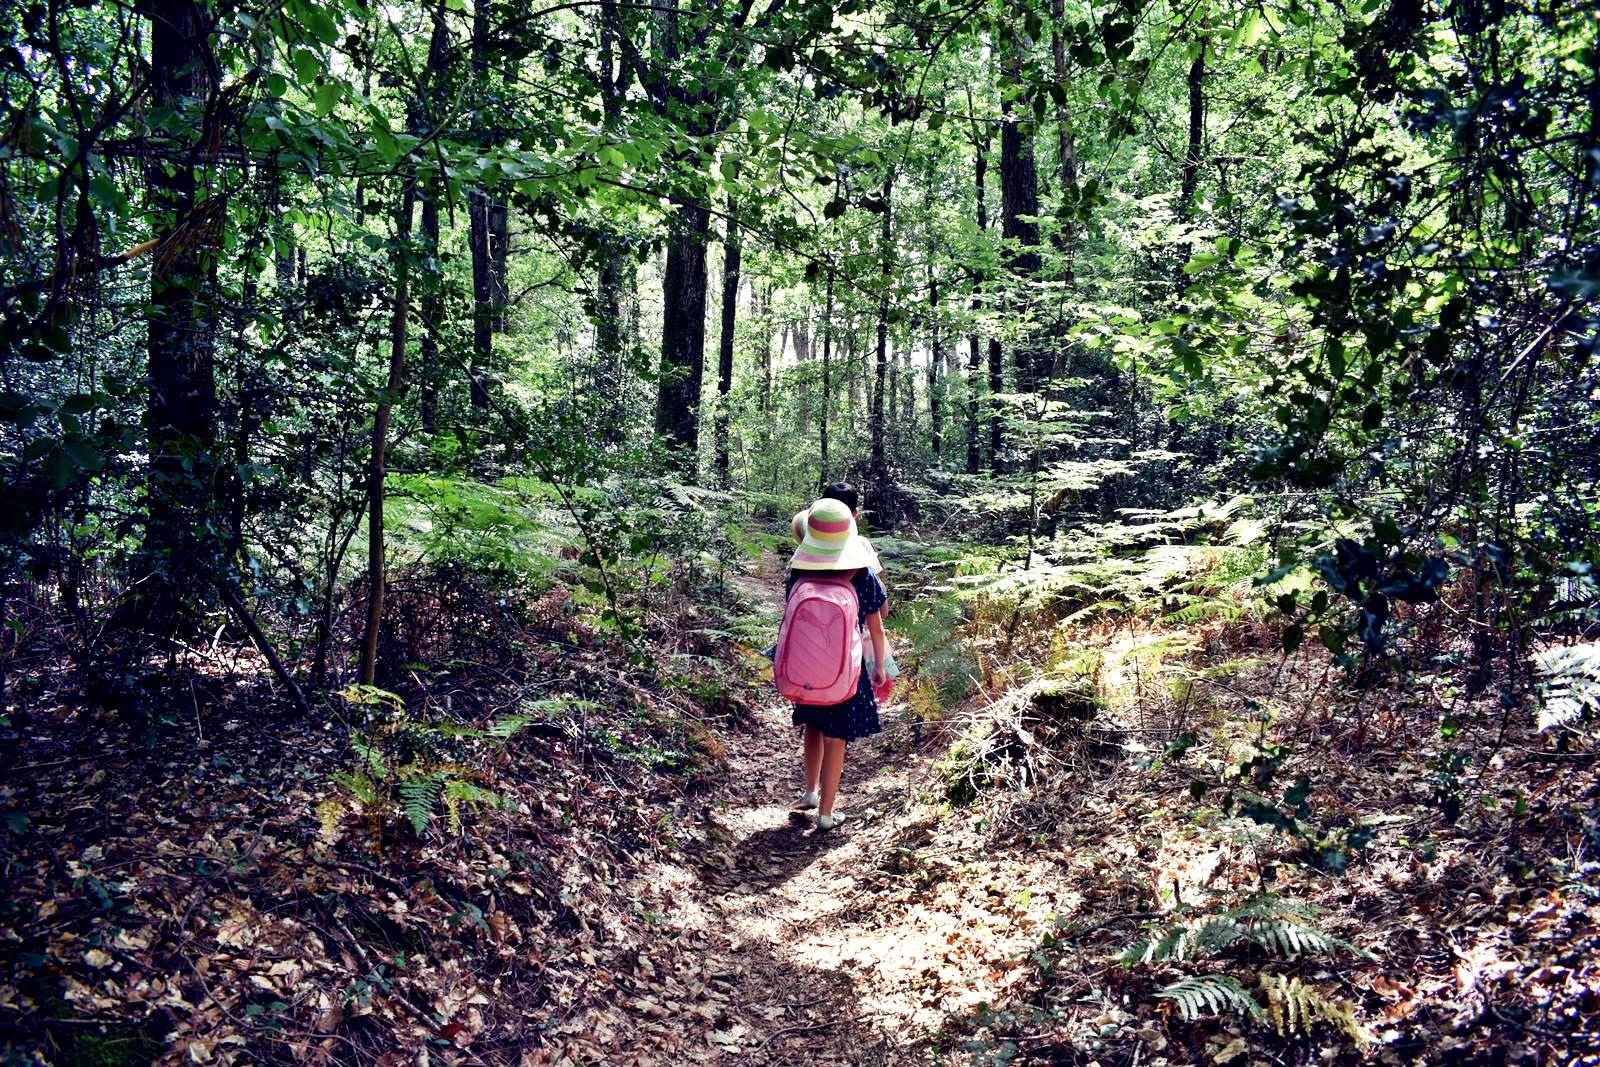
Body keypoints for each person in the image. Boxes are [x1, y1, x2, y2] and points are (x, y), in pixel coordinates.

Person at [779, 497, 888, 831]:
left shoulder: (798, 571)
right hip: (846, 671)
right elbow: (877, 625)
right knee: (836, 738)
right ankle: (826, 814)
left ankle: (810, 791)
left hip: (806, 667)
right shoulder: (862, 575)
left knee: (813, 725)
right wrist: (879, 667)